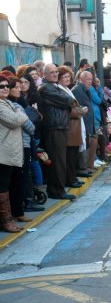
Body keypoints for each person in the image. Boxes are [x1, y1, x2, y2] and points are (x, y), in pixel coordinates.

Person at [38, 64, 76, 201]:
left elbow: (68, 101)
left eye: (56, 72)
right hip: (54, 128)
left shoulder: (53, 87)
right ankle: (57, 191)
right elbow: (68, 100)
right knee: (58, 161)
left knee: (60, 160)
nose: (55, 74)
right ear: (44, 74)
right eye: (51, 72)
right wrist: (66, 101)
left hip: (60, 126)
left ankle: (57, 189)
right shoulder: (46, 88)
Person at [0, 74, 31, 232]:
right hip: (3, 153)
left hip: (11, 152)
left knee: (9, 185)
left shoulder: (7, 103)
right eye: (2, 86)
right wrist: (22, 115)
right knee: (3, 187)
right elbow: (16, 120)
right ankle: (6, 220)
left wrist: (21, 115)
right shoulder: (1, 105)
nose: (5, 88)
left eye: (7, 86)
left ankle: (9, 218)